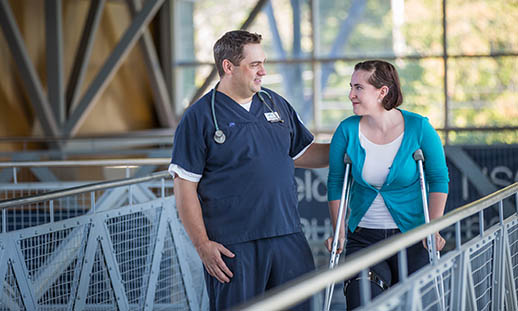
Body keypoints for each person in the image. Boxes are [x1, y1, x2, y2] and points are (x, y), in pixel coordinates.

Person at [169, 30, 329, 310]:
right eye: (254, 65)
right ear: (228, 67)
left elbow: (303, 154)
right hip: (234, 246)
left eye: (263, 63)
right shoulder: (200, 118)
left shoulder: (275, 104)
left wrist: (355, 143)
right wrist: (202, 245)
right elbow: (185, 187)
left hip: (287, 235)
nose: (263, 72)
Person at [325, 60, 449, 309]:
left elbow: (438, 178)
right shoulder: (347, 130)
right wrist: (338, 231)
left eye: (358, 88)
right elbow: (337, 181)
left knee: (415, 303)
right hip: (364, 238)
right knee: (361, 301)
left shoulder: (419, 127)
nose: (351, 94)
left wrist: (433, 227)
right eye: (351, 87)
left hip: (413, 236)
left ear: (382, 91)